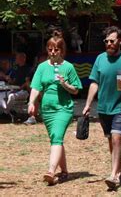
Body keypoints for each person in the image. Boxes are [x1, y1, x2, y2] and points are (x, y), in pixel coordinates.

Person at [82, 26, 121, 190]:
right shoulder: (100, 59)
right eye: (106, 41)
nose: (108, 43)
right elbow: (94, 82)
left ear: (120, 41)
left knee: (117, 138)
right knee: (111, 140)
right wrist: (88, 104)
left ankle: (114, 176)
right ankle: (120, 171)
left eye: (112, 41)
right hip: (104, 108)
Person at [27, 32, 82, 185]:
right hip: (47, 110)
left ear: (61, 51)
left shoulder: (68, 67)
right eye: (50, 49)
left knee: (56, 137)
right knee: (56, 139)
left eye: (56, 50)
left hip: (63, 109)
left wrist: (64, 84)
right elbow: (36, 87)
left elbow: (76, 90)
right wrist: (32, 102)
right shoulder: (42, 67)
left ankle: (51, 171)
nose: (53, 52)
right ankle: (64, 172)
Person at [0, 52, 32, 117]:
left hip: (23, 91)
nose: (15, 59)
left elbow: (28, 82)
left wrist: (20, 87)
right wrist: (9, 80)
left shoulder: (28, 69)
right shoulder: (15, 68)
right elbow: (11, 80)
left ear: (23, 59)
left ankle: (6, 112)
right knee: (0, 95)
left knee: (11, 96)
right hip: (13, 89)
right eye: (16, 58)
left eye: (17, 58)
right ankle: (7, 111)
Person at [24, 52, 49, 125]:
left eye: (44, 58)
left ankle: (33, 117)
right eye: (41, 59)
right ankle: (32, 117)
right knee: (35, 95)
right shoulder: (35, 69)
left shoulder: (51, 68)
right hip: (37, 90)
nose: (43, 60)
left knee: (36, 95)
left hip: (47, 91)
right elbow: (27, 79)